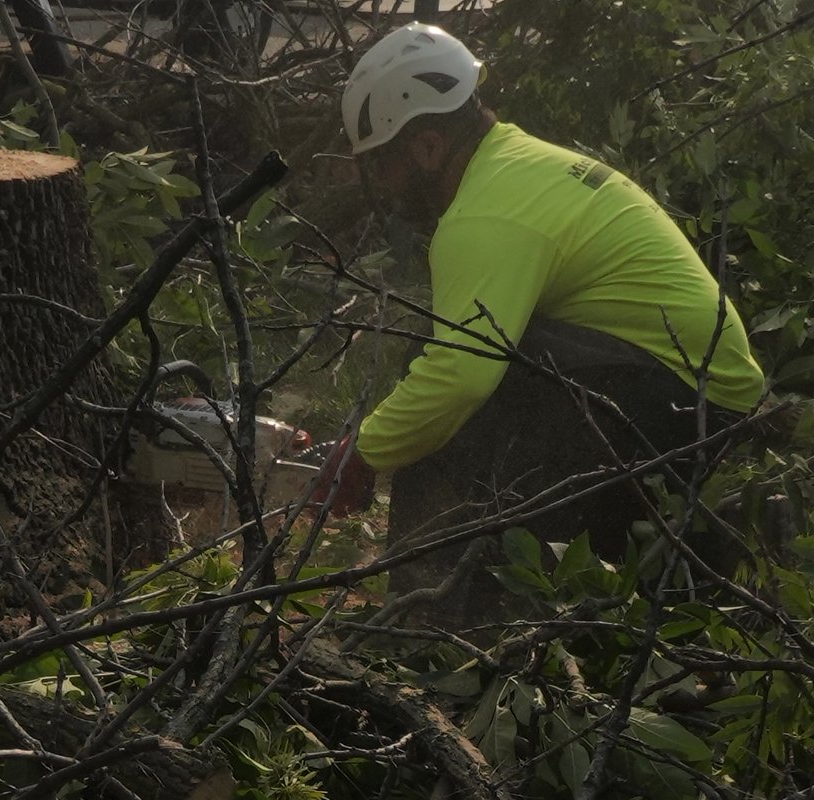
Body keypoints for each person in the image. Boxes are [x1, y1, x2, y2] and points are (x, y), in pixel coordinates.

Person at [314, 23, 766, 621]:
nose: (386, 189)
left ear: (425, 148)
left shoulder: (485, 215)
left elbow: (459, 375)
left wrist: (362, 456)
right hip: (693, 395)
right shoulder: (519, 165)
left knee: (472, 393)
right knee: (469, 365)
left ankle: (446, 623)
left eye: (384, 166)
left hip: (685, 407)